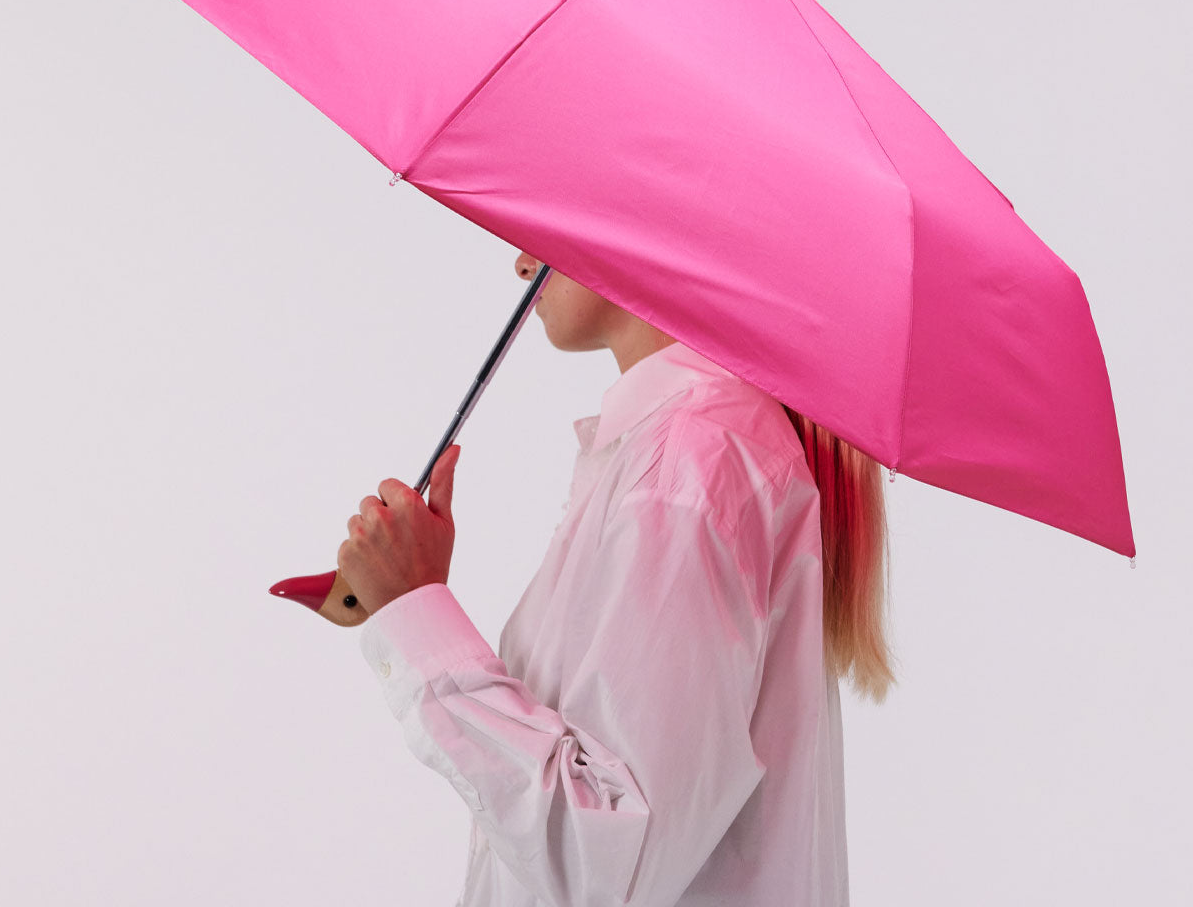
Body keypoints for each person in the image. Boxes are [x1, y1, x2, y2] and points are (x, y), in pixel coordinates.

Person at [339, 252, 897, 906]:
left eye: (541, 226)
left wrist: (416, 614)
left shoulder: (687, 466)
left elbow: (604, 859)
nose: (522, 265)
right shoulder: (686, 449)